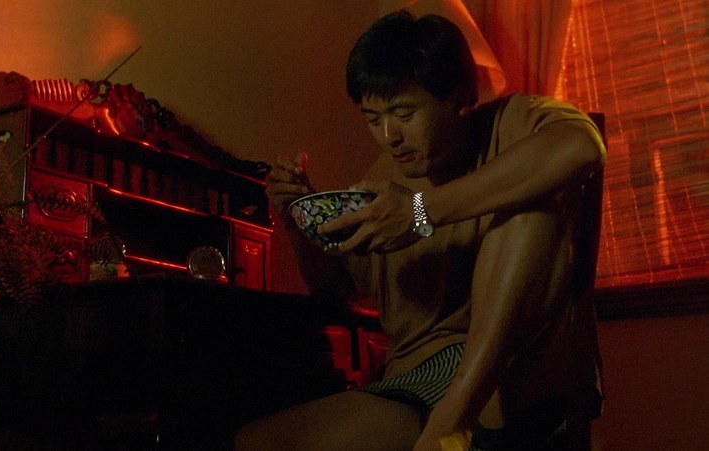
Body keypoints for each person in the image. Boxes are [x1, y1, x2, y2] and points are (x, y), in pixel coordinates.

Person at [235, 10, 605, 451]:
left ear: (461, 98)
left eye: (403, 113)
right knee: (253, 442)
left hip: (512, 376)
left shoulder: (513, 122)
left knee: (533, 201)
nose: (388, 135)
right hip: (415, 380)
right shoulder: (383, 179)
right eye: (372, 118)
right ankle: (447, 420)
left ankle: (455, 418)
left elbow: (581, 146)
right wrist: (296, 219)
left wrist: (419, 212)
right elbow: (336, 291)